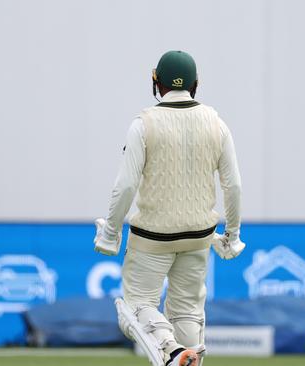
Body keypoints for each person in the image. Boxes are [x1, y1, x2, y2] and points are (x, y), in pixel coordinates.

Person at [93, 50, 244, 366]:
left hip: (153, 237)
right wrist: (232, 234)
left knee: (135, 307)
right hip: (199, 237)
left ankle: (172, 351)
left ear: (155, 82)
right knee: (187, 310)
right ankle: (186, 356)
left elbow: (126, 186)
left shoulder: (143, 124)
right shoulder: (217, 124)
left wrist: (110, 232)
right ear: (196, 83)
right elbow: (233, 185)